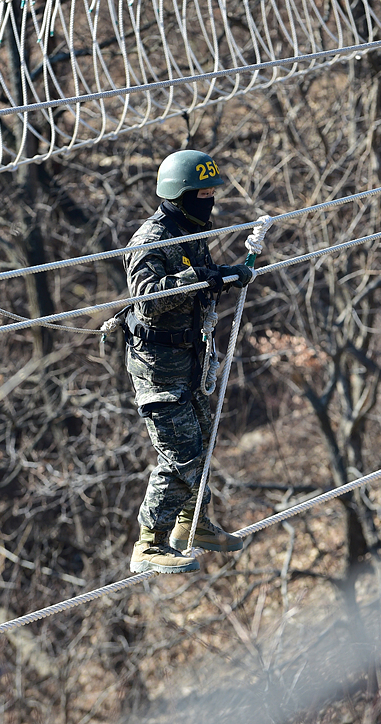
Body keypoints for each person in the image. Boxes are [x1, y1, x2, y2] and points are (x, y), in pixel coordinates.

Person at [123, 149, 252, 575]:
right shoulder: (151, 241)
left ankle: (191, 524)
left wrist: (227, 275)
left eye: (212, 193)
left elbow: (201, 281)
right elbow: (147, 297)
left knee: (199, 448)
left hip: (191, 363)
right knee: (182, 457)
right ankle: (149, 544)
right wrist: (195, 279)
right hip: (159, 371)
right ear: (179, 195)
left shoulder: (191, 230)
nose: (210, 201)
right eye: (202, 194)